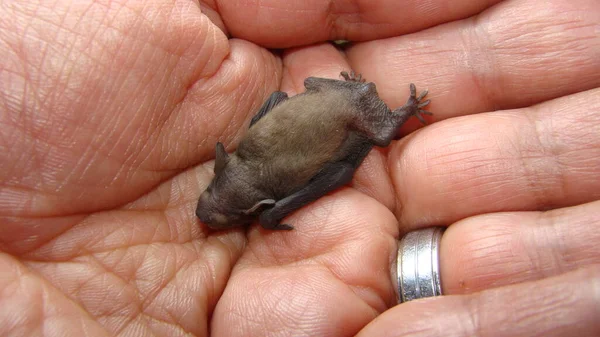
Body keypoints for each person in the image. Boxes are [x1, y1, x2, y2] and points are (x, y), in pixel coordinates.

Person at [0, 1, 598, 336]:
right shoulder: (249, 170)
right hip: (331, 98)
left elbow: (305, 161)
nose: (214, 209)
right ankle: (386, 112)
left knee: (375, 138)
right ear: (221, 170)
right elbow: (278, 109)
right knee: (340, 135)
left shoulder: (264, 201)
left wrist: (274, 216)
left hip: (342, 112)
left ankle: (396, 115)